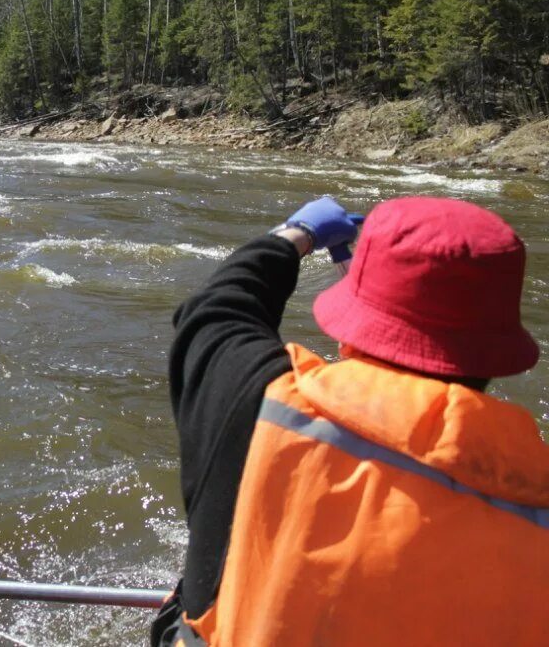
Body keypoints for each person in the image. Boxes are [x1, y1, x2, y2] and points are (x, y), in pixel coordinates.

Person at [151, 195, 549, 646]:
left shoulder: (263, 402)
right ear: (498, 352)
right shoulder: (537, 498)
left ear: (352, 324)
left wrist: (297, 234)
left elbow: (215, 312)